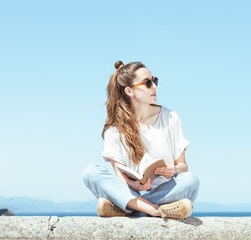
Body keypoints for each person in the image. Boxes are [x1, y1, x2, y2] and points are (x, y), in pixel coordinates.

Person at [82, 60, 199, 218]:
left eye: (154, 81)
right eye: (148, 83)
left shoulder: (170, 118)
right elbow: (119, 176)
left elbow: (182, 165)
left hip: (164, 190)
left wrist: (174, 170)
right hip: (130, 190)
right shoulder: (114, 129)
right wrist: (133, 183)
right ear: (130, 91)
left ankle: (126, 208)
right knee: (91, 172)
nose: (155, 86)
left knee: (191, 180)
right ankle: (155, 210)